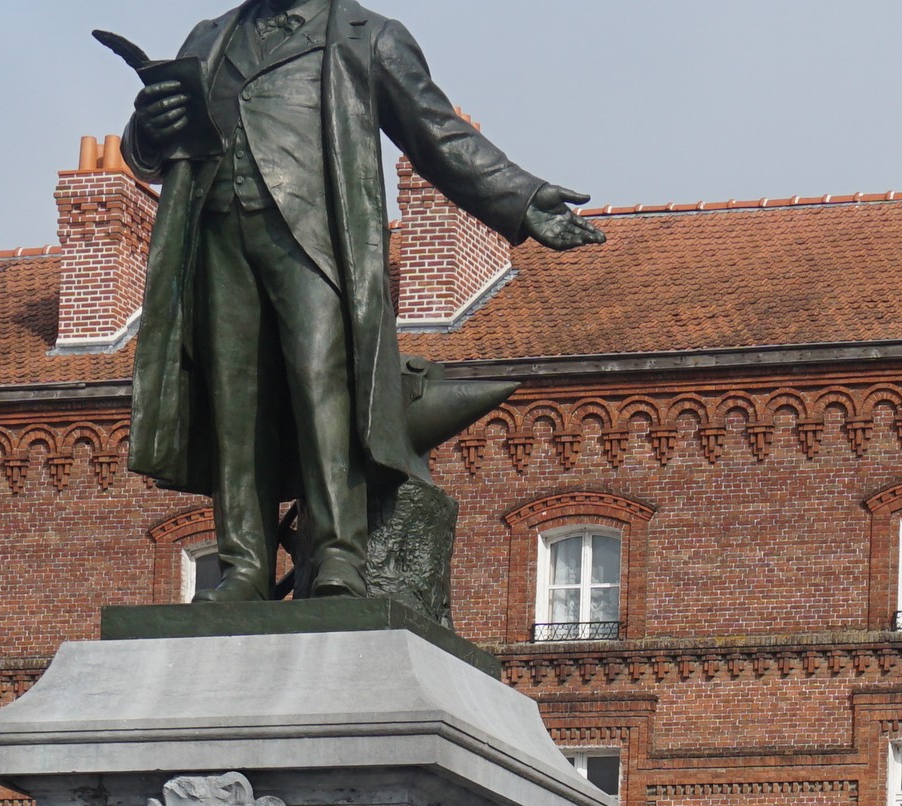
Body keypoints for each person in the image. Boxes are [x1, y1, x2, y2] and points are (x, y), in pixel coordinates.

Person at [115, 2, 602, 603]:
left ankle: (338, 556)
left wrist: (523, 199)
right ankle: (245, 565)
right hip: (216, 235)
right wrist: (149, 128)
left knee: (324, 389)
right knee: (234, 404)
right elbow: (150, 150)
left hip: (316, 240)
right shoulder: (209, 36)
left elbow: (436, 132)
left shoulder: (369, 37)